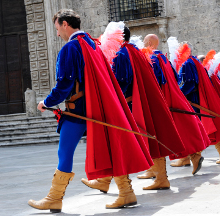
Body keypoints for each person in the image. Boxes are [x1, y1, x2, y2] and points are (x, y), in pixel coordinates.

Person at [28, 9, 153, 212]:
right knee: (111, 146)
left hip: (78, 111)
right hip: (100, 108)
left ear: (65, 24)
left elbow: (65, 83)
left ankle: (54, 198)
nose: (57, 34)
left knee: (64, 152)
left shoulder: (71, 48)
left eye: (57, 28)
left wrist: (47, 102)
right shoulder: (93, 44)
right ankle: (126, 192)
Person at [82, 27, 186, 192]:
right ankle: (160, 178)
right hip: (139, 102)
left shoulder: (123, 53)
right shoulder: (135, 51)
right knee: (150, 136)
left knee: (118, 141)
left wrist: (114, 101)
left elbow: (123, 80)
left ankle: (120, 186)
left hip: (130, 104)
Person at [141, 34, 210, 177]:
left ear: (148, 43)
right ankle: (193, 157)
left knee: (159, 135)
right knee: (179, 130)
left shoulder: (152, 58)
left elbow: (155, 82)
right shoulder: (164, 58)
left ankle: (157, 172)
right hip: (171, 98)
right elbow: (176, 78)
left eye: (144, 42)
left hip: (162, 101)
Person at [178, 43, 220, 164]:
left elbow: (191, 84)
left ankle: (191, 158)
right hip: (197, 99)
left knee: (197, 128)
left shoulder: (188, 64)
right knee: (202, 127)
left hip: (193, 100)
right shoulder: (194, 62)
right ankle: (216, 151)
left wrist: (179, 94)